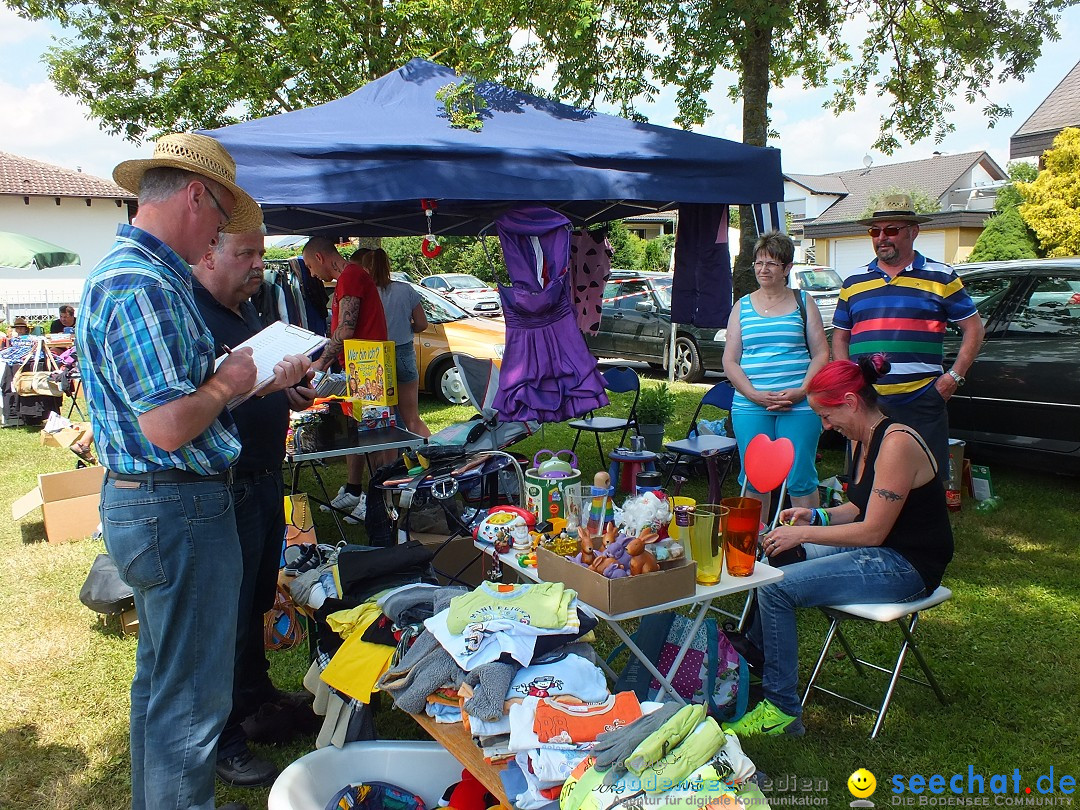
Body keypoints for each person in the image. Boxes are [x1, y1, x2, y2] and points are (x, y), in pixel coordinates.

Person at [77, 132, 306, 810]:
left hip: (153, 505)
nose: (214, 237)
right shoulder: (142, 283)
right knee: (191, 708)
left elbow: (178, 394)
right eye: (218, 219)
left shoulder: (137, 275)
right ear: (195, 195)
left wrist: (247, 383)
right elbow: (170, 423)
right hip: (174, 507)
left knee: (163, 689)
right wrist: (231, 378)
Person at [722, 356, 954, 738]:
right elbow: (860, 508)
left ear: (850, 401)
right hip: (882, 552)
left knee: (776, 585)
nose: (827, 427)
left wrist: (805, 534)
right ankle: (755, 667)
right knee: (780, 555)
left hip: (907, 566)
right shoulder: (865, 438)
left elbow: (872, 531)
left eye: (827, 417)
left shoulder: (896, 444)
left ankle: (782, 712)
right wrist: (816, 517)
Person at [192, 228, 317, 789]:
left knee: (257, 602)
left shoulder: (245, 316)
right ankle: (223, 739)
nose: (259, 265)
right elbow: (196, 406)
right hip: (226, 485)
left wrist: (290, 389)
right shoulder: (195, 318)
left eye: (262, 255)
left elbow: (254, 390)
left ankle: (255, 698)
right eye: (246, 254)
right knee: (226, 618)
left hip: (263, 477)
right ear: (208, 254)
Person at [832, 194, 984, 481]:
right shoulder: (854, 281)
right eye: (875, 231)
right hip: (868, 400)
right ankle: (868, 525)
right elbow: (840, 338)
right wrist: (849, 380)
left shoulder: (941, 276)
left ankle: (920, 526)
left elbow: (974, 329)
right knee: (865, 479)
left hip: (922, 398)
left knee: (923, 481)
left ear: (914, 232)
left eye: (891, 230)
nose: (881, 238)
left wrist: (953, 378)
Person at [723, 230, 829, 518]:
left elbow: (821, 353)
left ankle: (806, 546)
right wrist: (753, 394)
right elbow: (730, 361)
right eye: (759, 263)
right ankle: (753, 549)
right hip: (750, 406)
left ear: (787, 268)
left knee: (800, 476)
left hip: (798, 405)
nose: (763, 269)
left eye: (771, 263)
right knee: (755, 478)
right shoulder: (741, 306)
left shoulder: (803, 302)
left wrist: (803, 391)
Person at [304, 236, 388, 523]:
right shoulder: (349, 277)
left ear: (319, 257)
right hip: (360, 366)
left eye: (309, 267)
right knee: (357, 433)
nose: (312, 275)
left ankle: (378, 499)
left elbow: (346, 329)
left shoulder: (350, 277)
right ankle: (355, 491)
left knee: (376, 436)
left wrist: (320, 363)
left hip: (370, 368)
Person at [360, 248, 430, 437]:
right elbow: (422, 323)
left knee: (384, 418)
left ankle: (392, 459)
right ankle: (434, 453)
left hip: (374, 357)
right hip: (404, 352)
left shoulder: (364, 294)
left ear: (365, 268)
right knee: (413, 419)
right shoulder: (405, 289)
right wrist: (408, 328)